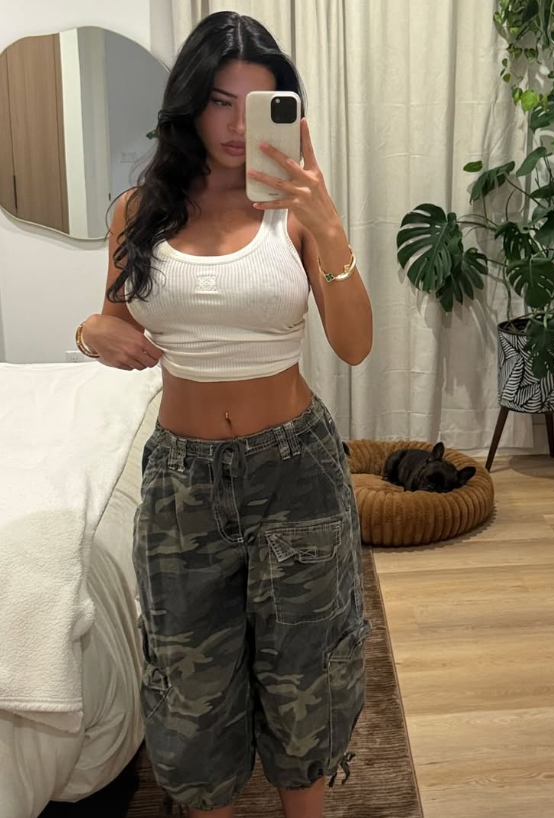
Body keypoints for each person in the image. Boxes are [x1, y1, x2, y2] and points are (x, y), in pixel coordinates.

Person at [76, 12, 373, 818]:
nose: (240, 126)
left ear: (287, 111)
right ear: (189, 105)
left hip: (296, 472)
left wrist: (327, 224)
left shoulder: (296, 211)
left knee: (306, 675)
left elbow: (354, 345)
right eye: (220, 102)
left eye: (259, 105)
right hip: (183, 481)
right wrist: (92, 331)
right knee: (190, 689)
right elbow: (113, 322)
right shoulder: (139, 210)